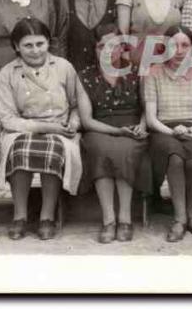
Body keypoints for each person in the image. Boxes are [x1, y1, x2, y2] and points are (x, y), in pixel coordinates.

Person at [0, 18, 83, 241]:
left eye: (40, 44)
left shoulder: (64, 67)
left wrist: (73, 122)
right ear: (16, 46)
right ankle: (20, 216)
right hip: (22, 128)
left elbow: (76, 105)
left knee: (52, 149)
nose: (35, 51)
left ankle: (46, 216)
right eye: (27, 45)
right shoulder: (8, 72)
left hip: (60, 130)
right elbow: (7, 118)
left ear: (48, 43)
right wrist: (45, 127)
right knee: (19, 150)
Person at [77, 23, 149, 243]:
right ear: (95, 49)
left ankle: (125, 218)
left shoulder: (137, 71)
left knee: (125, 150)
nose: (108, 51)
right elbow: (87, 120)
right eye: (101, 46)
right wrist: (117, 131)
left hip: (132, 129)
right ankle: (109, 220)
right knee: (100, 149)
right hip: (100, 128)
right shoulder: (85, 76)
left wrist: (143, 126)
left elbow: (148, 107)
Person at [143, 26, 192, 242]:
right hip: (164, 129)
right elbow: (150, 118)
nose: (180, 50)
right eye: (174, 45)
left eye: (185, 45)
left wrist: (191, 130)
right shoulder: (154, 71)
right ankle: (180, 218)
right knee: (175, 158)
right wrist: (173, 131)